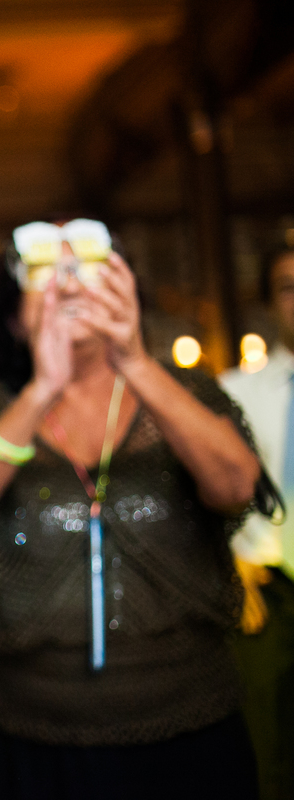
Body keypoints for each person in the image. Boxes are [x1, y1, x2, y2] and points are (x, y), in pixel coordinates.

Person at [0, 223, 268, 799]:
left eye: (87, 272)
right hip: (32, 730)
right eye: (45, 277)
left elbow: (236, 487)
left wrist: (134, 360)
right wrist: (42, 388)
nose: (68, 285)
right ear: (15, 318)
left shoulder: (187, 392)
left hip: (192, 722)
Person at [220, 245, 294, 800]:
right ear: (272, 304)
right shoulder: (233, 391)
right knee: (267, 755)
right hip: (264, 592)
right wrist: (227, 559)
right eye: (289, 287)